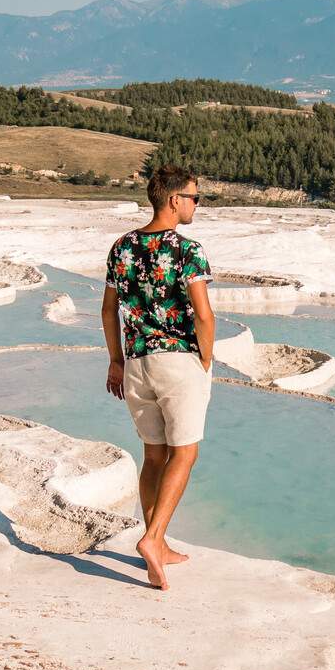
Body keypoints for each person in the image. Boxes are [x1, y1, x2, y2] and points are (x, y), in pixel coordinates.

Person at [102, 164, 215, 589]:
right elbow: (204, 315)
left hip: (136, 363)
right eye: (194, 197)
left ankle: (159, 544)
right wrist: (203, 361)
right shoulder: (188, 250)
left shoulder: (122, 246)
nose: (196, 204)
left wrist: (116, 360)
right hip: (177, 361)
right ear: (174, 200)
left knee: (153, 455)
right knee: (185, 454)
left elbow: (107, 309)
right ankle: (151, 539)